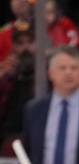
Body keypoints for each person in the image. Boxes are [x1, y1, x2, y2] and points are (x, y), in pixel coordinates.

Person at [0, 23, 35, 155]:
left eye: (30, 42)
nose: (25, 47)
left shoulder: (49, 73)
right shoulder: (6, 72)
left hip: (39, 138)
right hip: (10, 139)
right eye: (20, 43)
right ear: (14, 47)